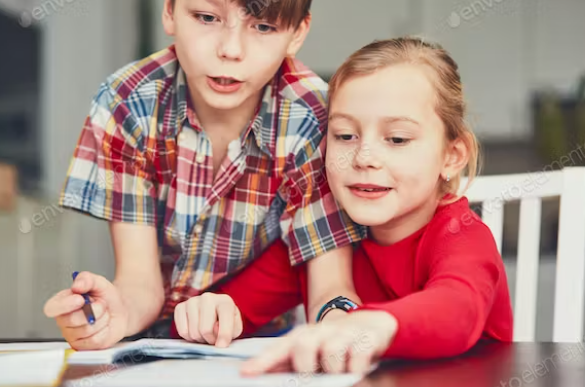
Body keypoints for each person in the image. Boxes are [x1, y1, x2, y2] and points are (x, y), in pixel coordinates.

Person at [43, 0, 365, 350]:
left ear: (297, 34)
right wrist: (114, 315)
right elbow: (139, 283)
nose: (230, 50)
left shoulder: (315, 120)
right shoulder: (129, 102)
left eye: (263, 26)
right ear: (169, 10)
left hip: (261, 343)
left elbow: (329, 285)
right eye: (207, 18)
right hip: (152, 345)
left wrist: (339, 323)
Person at [170, 36, 514, 374]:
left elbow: (459, 309)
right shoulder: (321, 239)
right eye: (345, 135)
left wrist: (370, 327)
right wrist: (210, 312)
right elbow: (230, 311)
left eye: (396, 139)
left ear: (452, 156)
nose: (364, 158)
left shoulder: (461, 236)